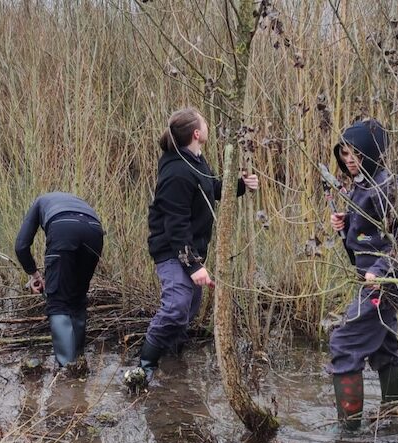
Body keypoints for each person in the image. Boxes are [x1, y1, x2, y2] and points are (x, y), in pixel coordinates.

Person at [124, 107, 259, 390]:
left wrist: (241, 186)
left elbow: (209, 190)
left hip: (191, 251)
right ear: (197, 133)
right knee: (176, 308)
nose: (208, 126)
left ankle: (173, 370)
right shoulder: (176, 172)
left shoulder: (195, 160)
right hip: (173, 251)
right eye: (205, 123)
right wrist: (194, 265)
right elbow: (175, 226)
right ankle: (143, 368)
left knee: (188, 311)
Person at [326, 118, 398, 429]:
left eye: (356, 153)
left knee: (343, 343)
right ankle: (396, 420)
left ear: (372, 151)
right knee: (383, 348)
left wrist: (380, 271)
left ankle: (349, 434)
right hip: (373, 280)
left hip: (382, 284)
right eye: (345, 153)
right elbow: (368, 238)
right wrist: (346, 225)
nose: (349, 160)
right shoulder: (364, 185)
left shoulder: (388, 186)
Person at [14, 192, 103, 370]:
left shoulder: (39, 202)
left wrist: (34, 274)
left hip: (64, 229)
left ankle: (67, 369)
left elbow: (21, 246)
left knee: (58, 303)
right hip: (95, 230)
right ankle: (79, 360)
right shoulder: (77, 201)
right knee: (77, 298)